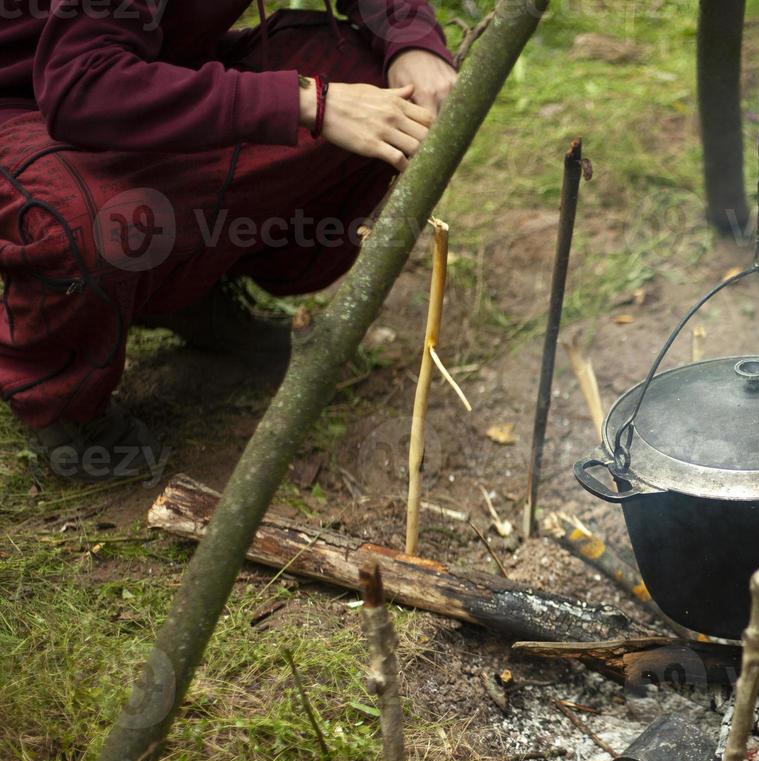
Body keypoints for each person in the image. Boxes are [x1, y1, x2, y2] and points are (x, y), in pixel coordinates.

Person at [0, 0, 458, 482]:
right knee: (86, 220)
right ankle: (62, 396)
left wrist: (412, 41)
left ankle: (183, 284)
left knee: (371, 80)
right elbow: (80, 85)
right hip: (21, 106)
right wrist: (308, 101)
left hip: (149, 70)